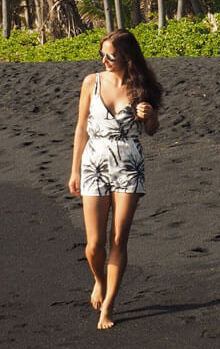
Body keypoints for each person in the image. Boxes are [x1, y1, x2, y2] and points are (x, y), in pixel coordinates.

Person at [68, 29, 162, 330]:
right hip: (93, 163)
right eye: (102, 54)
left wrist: (149, 116)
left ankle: (108, 305)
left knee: (119, 238)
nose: (105, 60)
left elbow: (151, 130)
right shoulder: (91, 82)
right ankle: (99, 280)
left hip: (128, 164)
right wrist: (74, 170)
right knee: (93, 245)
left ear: (127, 56)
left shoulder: (142, 88)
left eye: (111, 55)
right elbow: (81, 128)